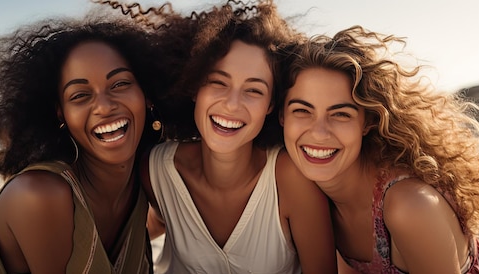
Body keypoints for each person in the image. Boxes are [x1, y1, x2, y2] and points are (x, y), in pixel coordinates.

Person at [109, 0, 337, 273]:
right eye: (218, 82)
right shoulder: (155, 170)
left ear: (270, 105)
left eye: (253, 90)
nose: (231, 104)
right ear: (194, 86)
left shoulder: (290, 178)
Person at [278, 25, 479, 273]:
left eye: (341, 114)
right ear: (281, 117)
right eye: (302, 110)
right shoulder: (309, 193)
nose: (319, 132)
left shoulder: (409, 206)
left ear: (368, 122)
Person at [0, 7, 171, 273]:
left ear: (147, 94)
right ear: (61, 113)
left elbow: (147, 227)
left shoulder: (144, 180)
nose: (104, 106)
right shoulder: (40, 195)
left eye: (120, 84)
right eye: (80, 95)